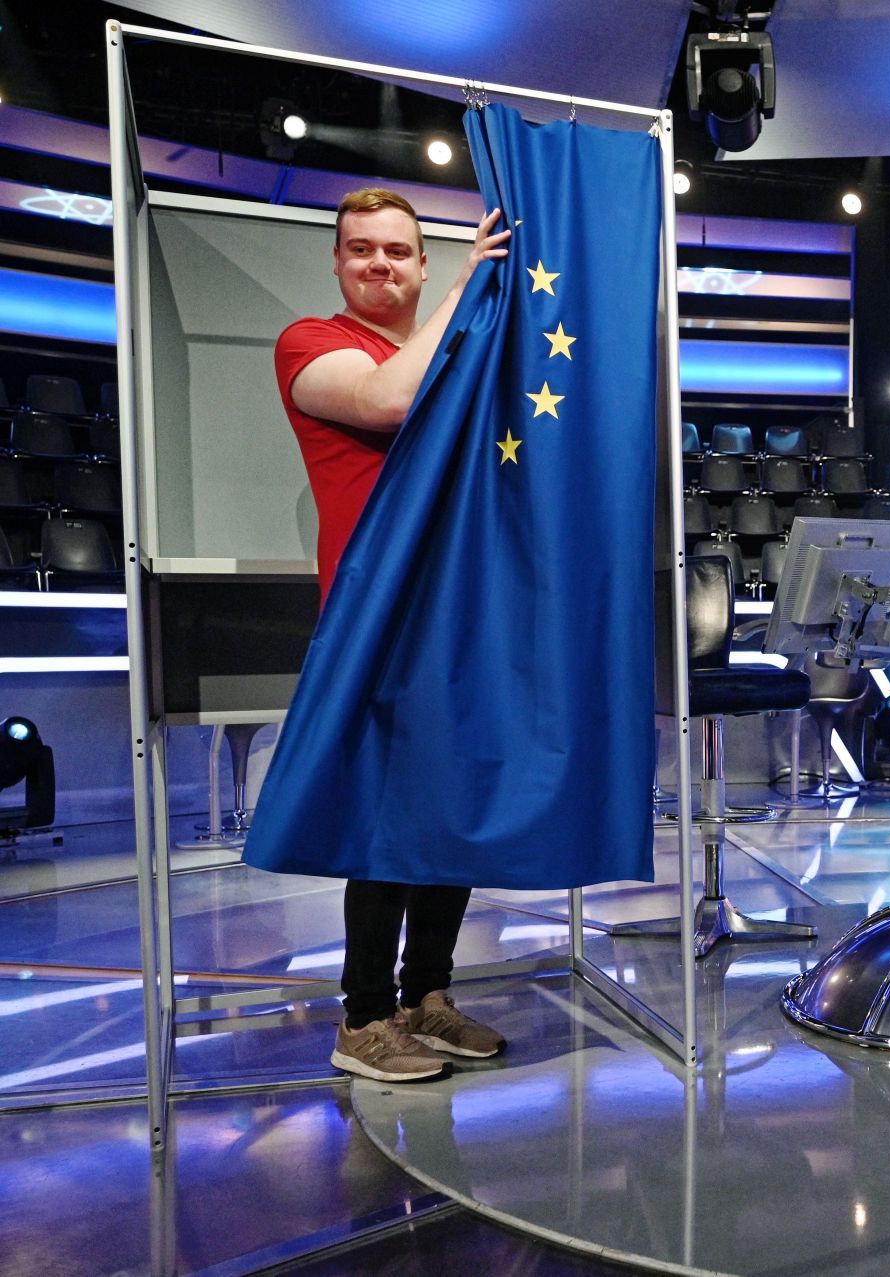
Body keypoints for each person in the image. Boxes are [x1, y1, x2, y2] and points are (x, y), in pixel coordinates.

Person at [273, 188, 511, 1083]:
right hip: (373, 615)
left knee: (443, 808)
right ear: (338, 263)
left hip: (451, 612)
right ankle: (363, 1015)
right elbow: (384, 398)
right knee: (382, 820)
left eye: (397, 252)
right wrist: (464, 286)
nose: (380, 264)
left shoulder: (451, 351)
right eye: (362, 249)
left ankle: (427, 997)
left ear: (415, 263)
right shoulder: (311, 342)